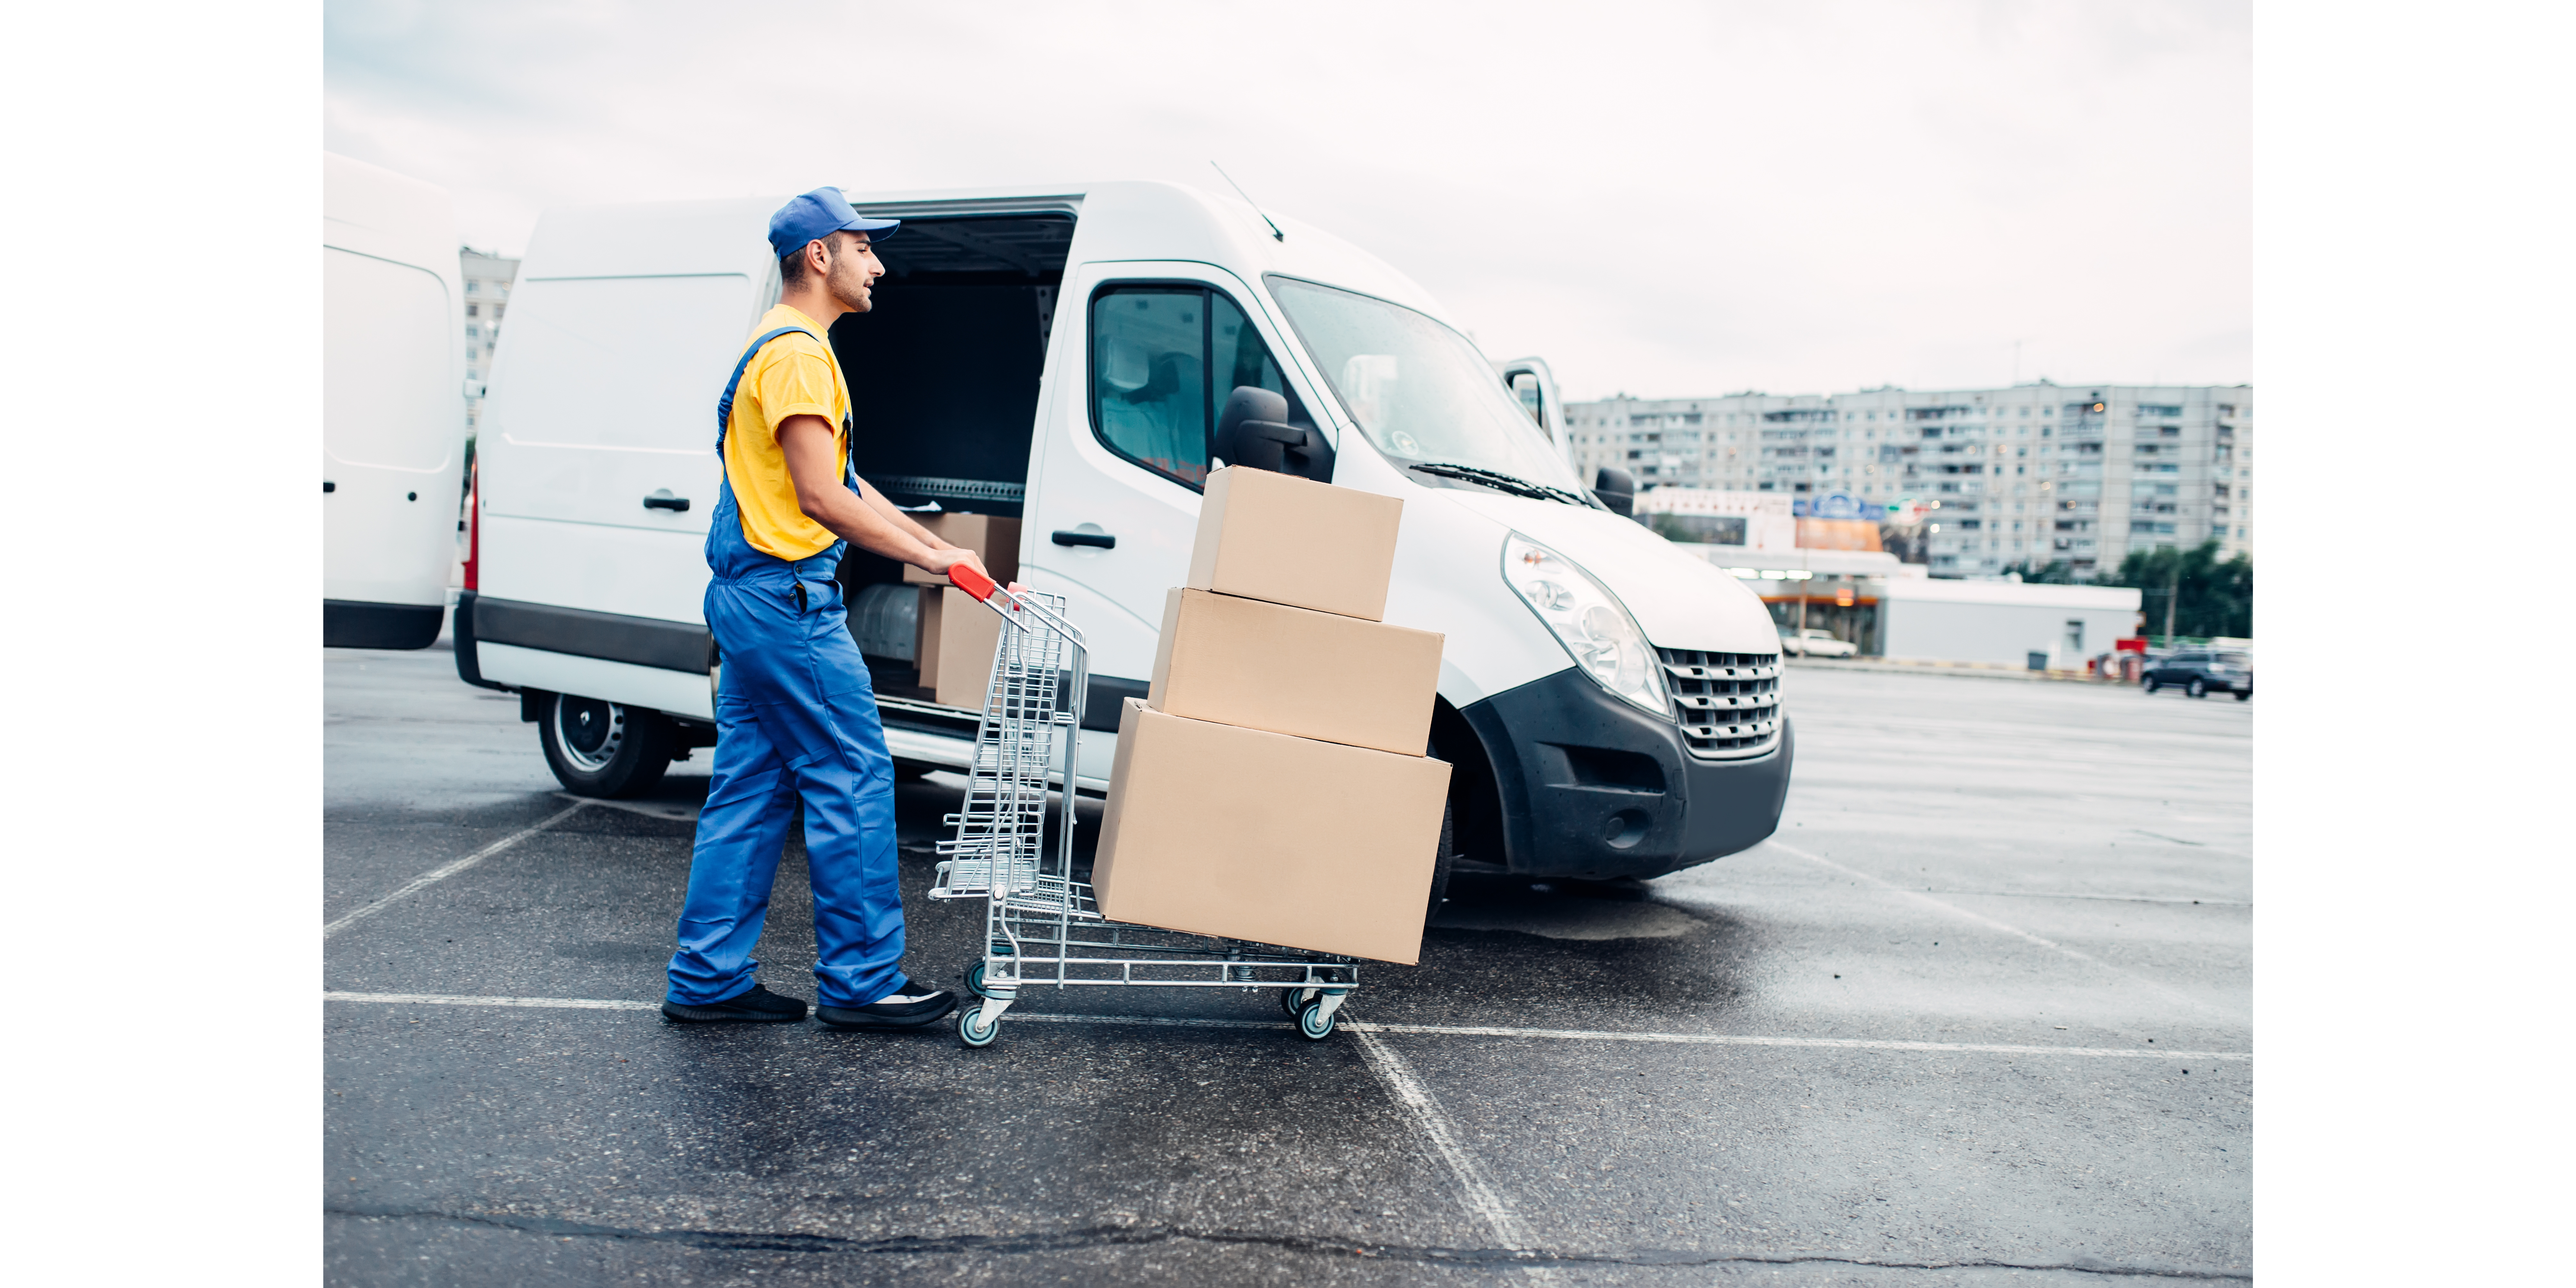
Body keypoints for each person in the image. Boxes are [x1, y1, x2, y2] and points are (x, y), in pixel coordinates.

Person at [662, 187, 988, 1031]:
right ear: (820, 256)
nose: (877, 264)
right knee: (852, 774)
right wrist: (930, 557)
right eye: (863, 248)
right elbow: (818, 496)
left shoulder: (773, 346)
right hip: (789, 604)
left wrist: (935, 546)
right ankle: (862, 980)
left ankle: (707, 979)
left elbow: (840, 483)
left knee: (751, 789)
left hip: (750, 598)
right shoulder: (801, 355)